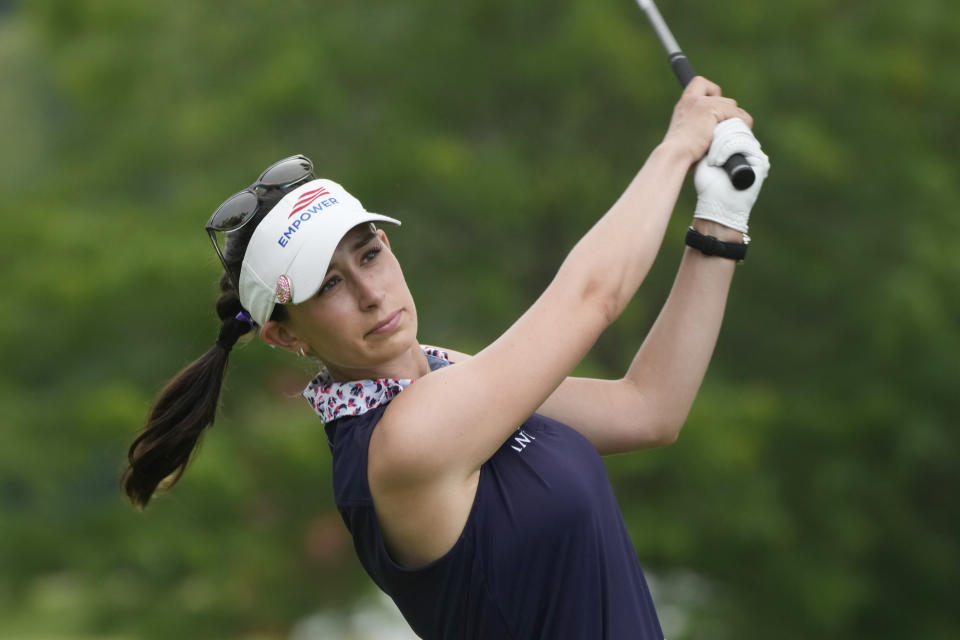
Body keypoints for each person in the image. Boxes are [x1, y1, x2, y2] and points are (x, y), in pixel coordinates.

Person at [123, 77, 769, 639]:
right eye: (329, 286)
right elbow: (592, 298)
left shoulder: (440, 372)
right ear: (288, 338)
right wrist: (677, 147)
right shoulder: (403, 442)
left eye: (370, 254)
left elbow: (648, 410)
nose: (373, 294)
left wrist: (720, 219)